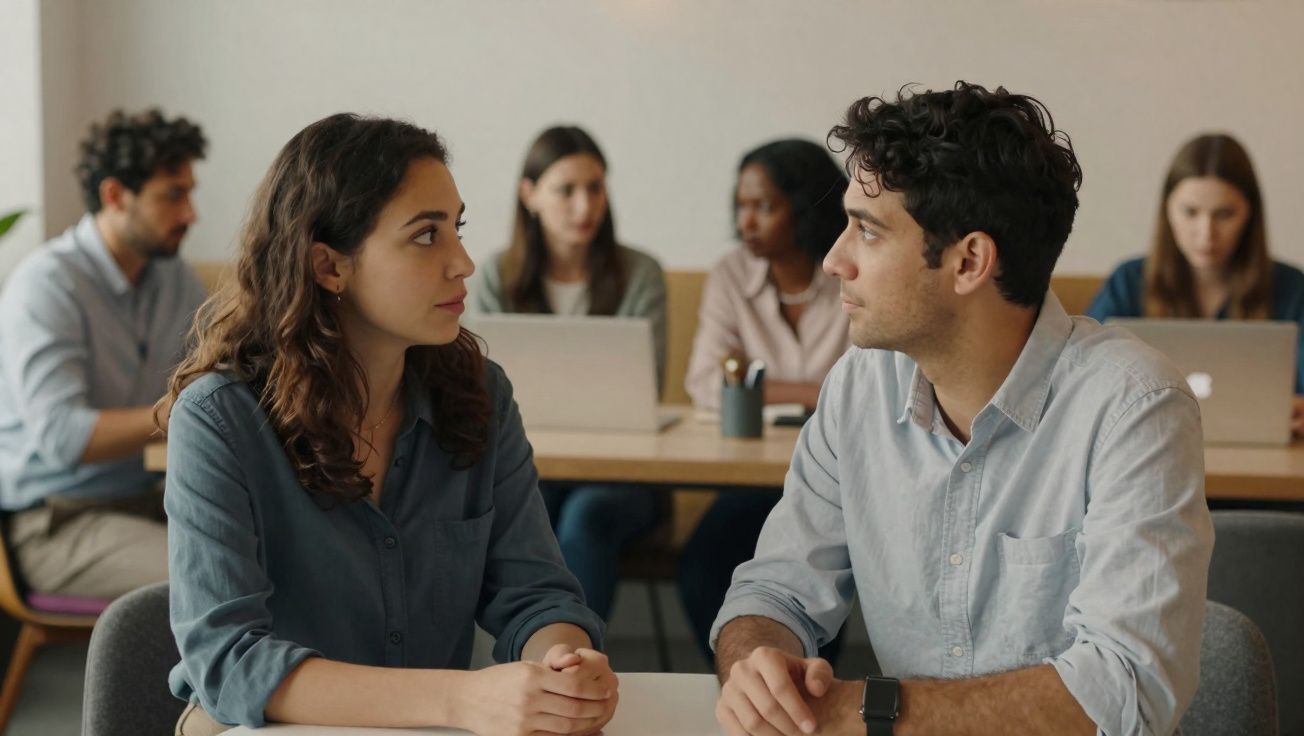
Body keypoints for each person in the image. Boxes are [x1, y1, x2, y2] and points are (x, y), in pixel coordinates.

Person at [712, 83, 1213, 736]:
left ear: (969, 261)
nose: (834, 260)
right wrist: (758, 666)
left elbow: (1125, 689)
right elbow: (774, 592)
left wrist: (863, 714)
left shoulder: (1133, 406)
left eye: (866, 230)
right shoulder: (860, 387)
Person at [165, 114, 618, 735]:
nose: (463, 263)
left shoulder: (482, 395)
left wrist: (562, 661)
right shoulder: (218, 420)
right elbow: (228, 660)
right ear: (329, 267)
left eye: (456, 229)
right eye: (426, 237)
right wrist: (462, 701)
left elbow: (536, 593)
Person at [0, 108, 207, 598]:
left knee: (288, 556)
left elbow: (216, 370)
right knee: (210, 584)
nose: (191, 213)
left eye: (190, 192)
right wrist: (186, 411)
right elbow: (65, 437)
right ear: (115, 195)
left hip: (145, 500)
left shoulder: (172, 277)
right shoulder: (48, 285)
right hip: (53, 520)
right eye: (173, 195)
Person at [469, 125, 667, 621]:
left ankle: (575, 656)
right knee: (529, 507)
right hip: (533, 464)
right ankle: (529, 663)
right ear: (529, 195)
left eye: (595, 188)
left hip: (628, 474)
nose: (585, 206)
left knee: (584, 515)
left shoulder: (640, 273)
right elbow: (482, 392)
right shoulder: (495, 275)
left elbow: (645, 387)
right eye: (566, 190)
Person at [678, 139, 848, 665]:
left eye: (764, 206)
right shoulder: (731, 274)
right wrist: (821, 390)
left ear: (805, 207)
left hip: (837, 478)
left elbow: (871, 387)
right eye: (741, 206)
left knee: (827, 575)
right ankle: (740, 685)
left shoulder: (850, 272)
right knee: (703, 563)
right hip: (749, 476)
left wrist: (757, 384)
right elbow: (706, 381)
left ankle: (810, 688)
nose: (746, 221)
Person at [1087, 133, 1304, 438]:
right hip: (1148, 446)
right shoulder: (1129, 281)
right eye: (1190, 212)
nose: (1206, 233)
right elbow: (1085, 378)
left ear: (1250, 214)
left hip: (1262, 458)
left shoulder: (1291, 287)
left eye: (1224, 214)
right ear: (1168, 210)